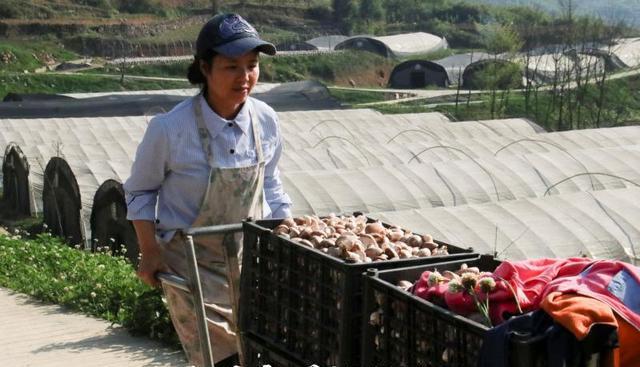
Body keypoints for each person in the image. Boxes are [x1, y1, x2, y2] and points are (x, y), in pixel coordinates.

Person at [123, 13, 292, 366]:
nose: (244, 77)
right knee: (222, 360)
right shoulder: (170, 129)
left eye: (252, 65)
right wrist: (149, 250)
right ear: (205, 68)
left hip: (249, 262)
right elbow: (140, 191)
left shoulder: (265, 120)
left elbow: (270, 182)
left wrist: (288, 229)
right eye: (231, 67)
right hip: (190, 266)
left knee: (261, 353)